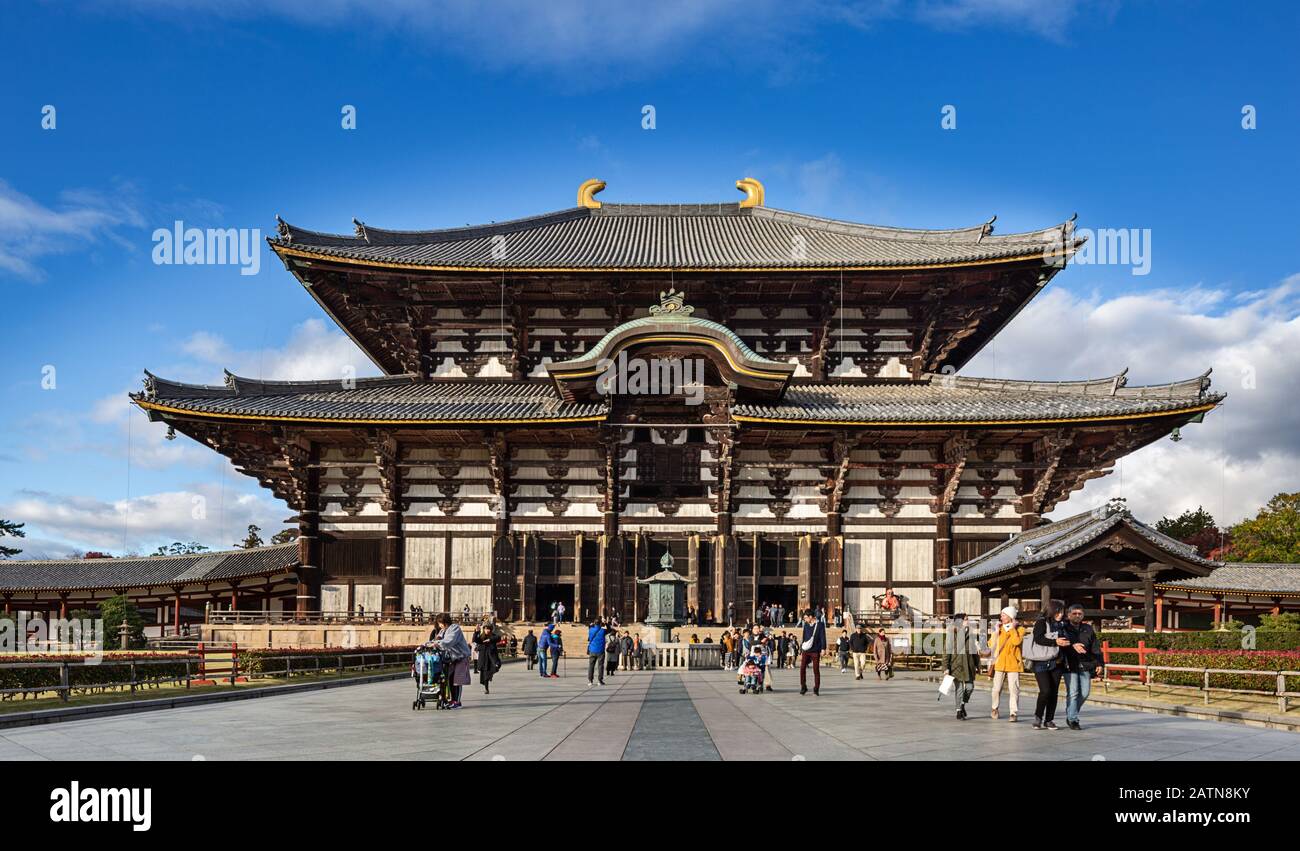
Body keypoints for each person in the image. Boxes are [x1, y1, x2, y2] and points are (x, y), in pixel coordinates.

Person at [1029, 599, 1071, 730]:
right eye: (1058, 612)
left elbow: (1068, 639)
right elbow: (1038, 638)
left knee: (1054, 692)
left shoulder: (1064, 624)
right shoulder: (1042, 622)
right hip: (1041, 662)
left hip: (1057, 662)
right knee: (1045, 690)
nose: (1060, 615)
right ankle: (1038, 717)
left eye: (1062, 612)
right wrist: (1055, 642)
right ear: (1052, 611)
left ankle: (1049, 720)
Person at [1062, 604, 1102, 730]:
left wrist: (1100, 663)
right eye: (1074, 613)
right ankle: (1073, 719)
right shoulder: (1063, 628)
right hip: (1070, 664)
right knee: (1073, 693)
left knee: (1085, 693)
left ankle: (1070, 712)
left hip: (1086, 664)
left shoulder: (1088, 628)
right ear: (1068, 615)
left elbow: (1095, 647)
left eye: (1080, 613)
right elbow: (1061, 644)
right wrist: (1072, 645)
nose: (1077, 616)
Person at [987, 606, 1024, 721]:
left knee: (1014, 689)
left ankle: (1013, 713)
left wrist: (1012, 629)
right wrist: (996, 633)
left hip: (1013, 663)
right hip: (999, 663)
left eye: (1003, 615)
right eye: (1001, 615)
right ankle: (994, 708)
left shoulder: (1020, 629)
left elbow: (1016, 641)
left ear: (1010, 617)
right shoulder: (999, 629)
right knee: (996, 689)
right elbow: (991, 645)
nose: (1001, 617)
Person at [942, 613, 980, 720]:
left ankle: (963, 703)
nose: (968, 621)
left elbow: (974, 651)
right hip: (956, 664)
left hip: (969, 664)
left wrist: (977, 665)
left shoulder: (971, 632)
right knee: (958, 689)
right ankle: (958, 710)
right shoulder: (952, 633)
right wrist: (945, 667)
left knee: (970, 687)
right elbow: (947, 651)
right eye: (966, 619)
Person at [430, 612, 471, 708]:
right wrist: (430, 643)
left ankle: (457, 701)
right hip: (451, 659)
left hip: (461, 657)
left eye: (440, 623)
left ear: (444, 622)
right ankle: (452, 700)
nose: (439, 626)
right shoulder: (442, 631)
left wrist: (437, 644)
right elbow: (437, 639)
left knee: (458, 680)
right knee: (450, 679)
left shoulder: (454, 628)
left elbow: (449, 641)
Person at [798, 608, 826, 696]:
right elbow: (804, 637)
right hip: (806, 650)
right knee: (802, 668)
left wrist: (823, 648)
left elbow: (822, 637)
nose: (805, 619)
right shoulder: (806, 625)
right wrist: (801, 649)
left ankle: (816, 689)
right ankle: (803, 686)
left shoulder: (820, 625)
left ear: (811, 617)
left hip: (815, 650)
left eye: (806, 617)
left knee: (816, 670)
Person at [474, 623, 501, 694]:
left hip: (491, 658)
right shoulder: (481, 637)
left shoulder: (493, 636)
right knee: (485, 673)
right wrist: (476, 631)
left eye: (488, 629)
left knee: (491, 669)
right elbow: (475, 640)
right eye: (486, 629)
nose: (487, 630)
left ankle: (489, 676)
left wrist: (490, 640)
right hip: (483, 658)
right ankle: (486, 688)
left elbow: (498, 638)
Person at [586, 619, 608, 686]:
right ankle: (600, 680)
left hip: (592, 650)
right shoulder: (603, 630)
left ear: (594, 623)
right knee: (600, 666)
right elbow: (609, 629)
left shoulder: (591, 630)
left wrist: (591, 625)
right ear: (600, 624)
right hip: (600, 650)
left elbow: (589, 627)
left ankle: (590, 680)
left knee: (591, 666)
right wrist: (605, 623)